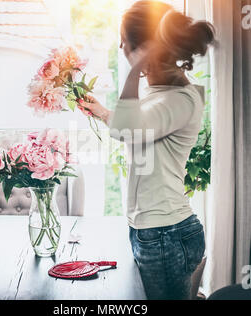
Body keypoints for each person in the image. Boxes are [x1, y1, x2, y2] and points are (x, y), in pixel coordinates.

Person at [77, 0, 215, 299]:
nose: (121, 48)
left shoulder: (181, 99)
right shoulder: (163, 94)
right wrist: (102, 112)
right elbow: (138, 128)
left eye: (124, 42)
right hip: (155, 231)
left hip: (166, 232)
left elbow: (131, 128)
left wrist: (134, 68)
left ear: (143, 48)